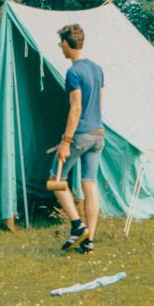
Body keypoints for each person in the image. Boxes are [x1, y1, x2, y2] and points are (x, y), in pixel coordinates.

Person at [50, 24, 105, 254]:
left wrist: (66, 142)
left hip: (80, 135)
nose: (60, 48)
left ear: (66, 44)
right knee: (89, 185)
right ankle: (88, 240)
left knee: (55, 179)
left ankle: (77, 225)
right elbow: (99, 103)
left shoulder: (74, 72)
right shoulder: (97, 69)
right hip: (98, 134)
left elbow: (75, 108)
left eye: (60, 43)